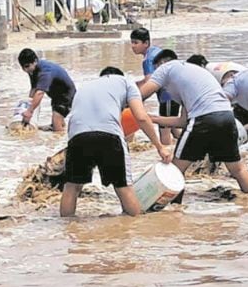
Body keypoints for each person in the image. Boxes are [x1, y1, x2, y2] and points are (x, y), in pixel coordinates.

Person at [139, 50, 248, 195]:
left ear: (161, 64)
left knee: (175, 170)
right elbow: (183, 121)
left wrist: (125, 106)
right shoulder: (192, 74)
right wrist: (153, 119)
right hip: (226, 117)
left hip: (203, 119)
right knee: (237, 169)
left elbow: (140, 95)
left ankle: (173, 211)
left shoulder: (166, 68)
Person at [61, 67, 170, 218]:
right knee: (124, 188)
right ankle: (131, 228)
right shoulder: (126, 82)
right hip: (109, 136)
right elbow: (141, 117)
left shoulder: (85, 87)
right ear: (118, 75)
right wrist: (160, 146)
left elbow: (74, 121)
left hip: (77, 138)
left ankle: (66, 230)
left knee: (71, 187)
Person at [130, 28, 177, 146]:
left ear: (146, 43)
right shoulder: (156, 51)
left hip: (167, 96)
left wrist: (135, 100)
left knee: (164, 132)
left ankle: (167, 159)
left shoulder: (148, 60)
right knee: (174, 129)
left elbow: (149, 84)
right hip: (175, 94)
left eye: (136, 43)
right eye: (132, 42)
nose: (132, 46)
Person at [18, 48, 76, 132]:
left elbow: (40, 93)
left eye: (27, 66)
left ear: (35, 61)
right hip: (56, 96)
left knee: (57, 128)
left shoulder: (45, 72)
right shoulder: (32, 70)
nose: (25, 70)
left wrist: (30, 111)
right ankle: (59, 128)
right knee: (59, 122)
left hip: (66, 96)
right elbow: (34, 89)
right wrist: (28, 107)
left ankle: (60, 142)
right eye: (23, 67)